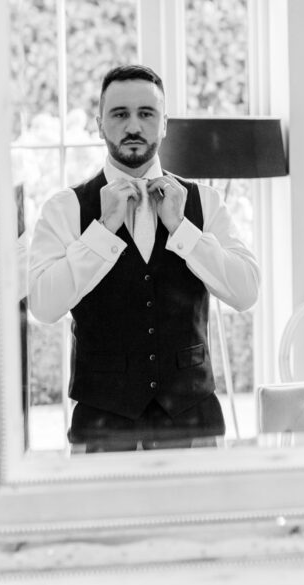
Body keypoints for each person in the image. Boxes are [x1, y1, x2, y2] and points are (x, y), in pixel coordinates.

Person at [28, 64, 260, 453]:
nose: (133, 126)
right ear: (100, 123)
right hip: (102, 428)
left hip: (194, 423)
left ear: (164, 123)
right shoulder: (64, 208)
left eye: (146, 114)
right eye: (119, 114)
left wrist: (183, 228)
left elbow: (246, 291)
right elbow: (43, 306)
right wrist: (102, 230)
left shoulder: (205, 202)